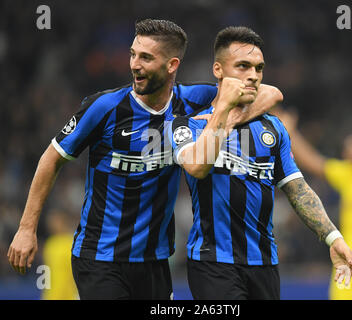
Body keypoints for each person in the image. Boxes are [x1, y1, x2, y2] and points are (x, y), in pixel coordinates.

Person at [7, 19, 283, 300]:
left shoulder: (192, 100)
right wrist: (27, 229)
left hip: (155, 261)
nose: (134, 64)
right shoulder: (105, 107)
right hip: (100, 258)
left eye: (146, 58)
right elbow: (51, 159)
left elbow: (270, 93)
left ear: (172, 65)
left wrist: (227, 113)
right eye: (133, 54)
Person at [168, 26, 352, 300]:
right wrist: (224, 113)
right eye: (243, 66)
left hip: (265, 264)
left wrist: (332, 237)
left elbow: (297, 188)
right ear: (218, 70)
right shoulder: (190, 125)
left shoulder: (274, 129)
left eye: (259, 68)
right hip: (213, 263)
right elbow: (198, 167)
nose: (253, 76)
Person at [272, 108, 352, 300]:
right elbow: (312, 161)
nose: (347, 150)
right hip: (348, 261)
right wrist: (289, 132)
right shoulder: (347, 175)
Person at [41, 209, 79, 300]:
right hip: (51, 295)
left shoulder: (72, 243)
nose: (52, 225)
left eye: (56, 221)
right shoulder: (49, 244)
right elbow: (46, 272)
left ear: (64, 222)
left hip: (69, 295)